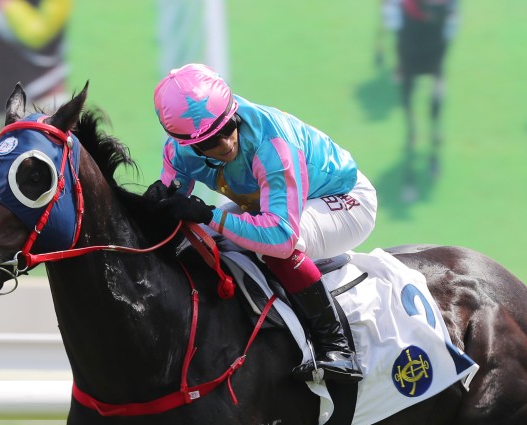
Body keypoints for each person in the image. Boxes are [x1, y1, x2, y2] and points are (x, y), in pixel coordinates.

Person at [148, 63, 378, 384]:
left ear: (233, 112)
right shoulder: (178, 152)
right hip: (263, 200)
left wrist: (210, 215)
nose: (226, 144)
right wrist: (156, 204)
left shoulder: (273, 146)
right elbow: (171, 207)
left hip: (344, 200)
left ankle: (336, 346)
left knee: (276, 250)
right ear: (186, 144)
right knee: (197, 242)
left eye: (229, 127)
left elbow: (281, 237)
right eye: (209, 143)